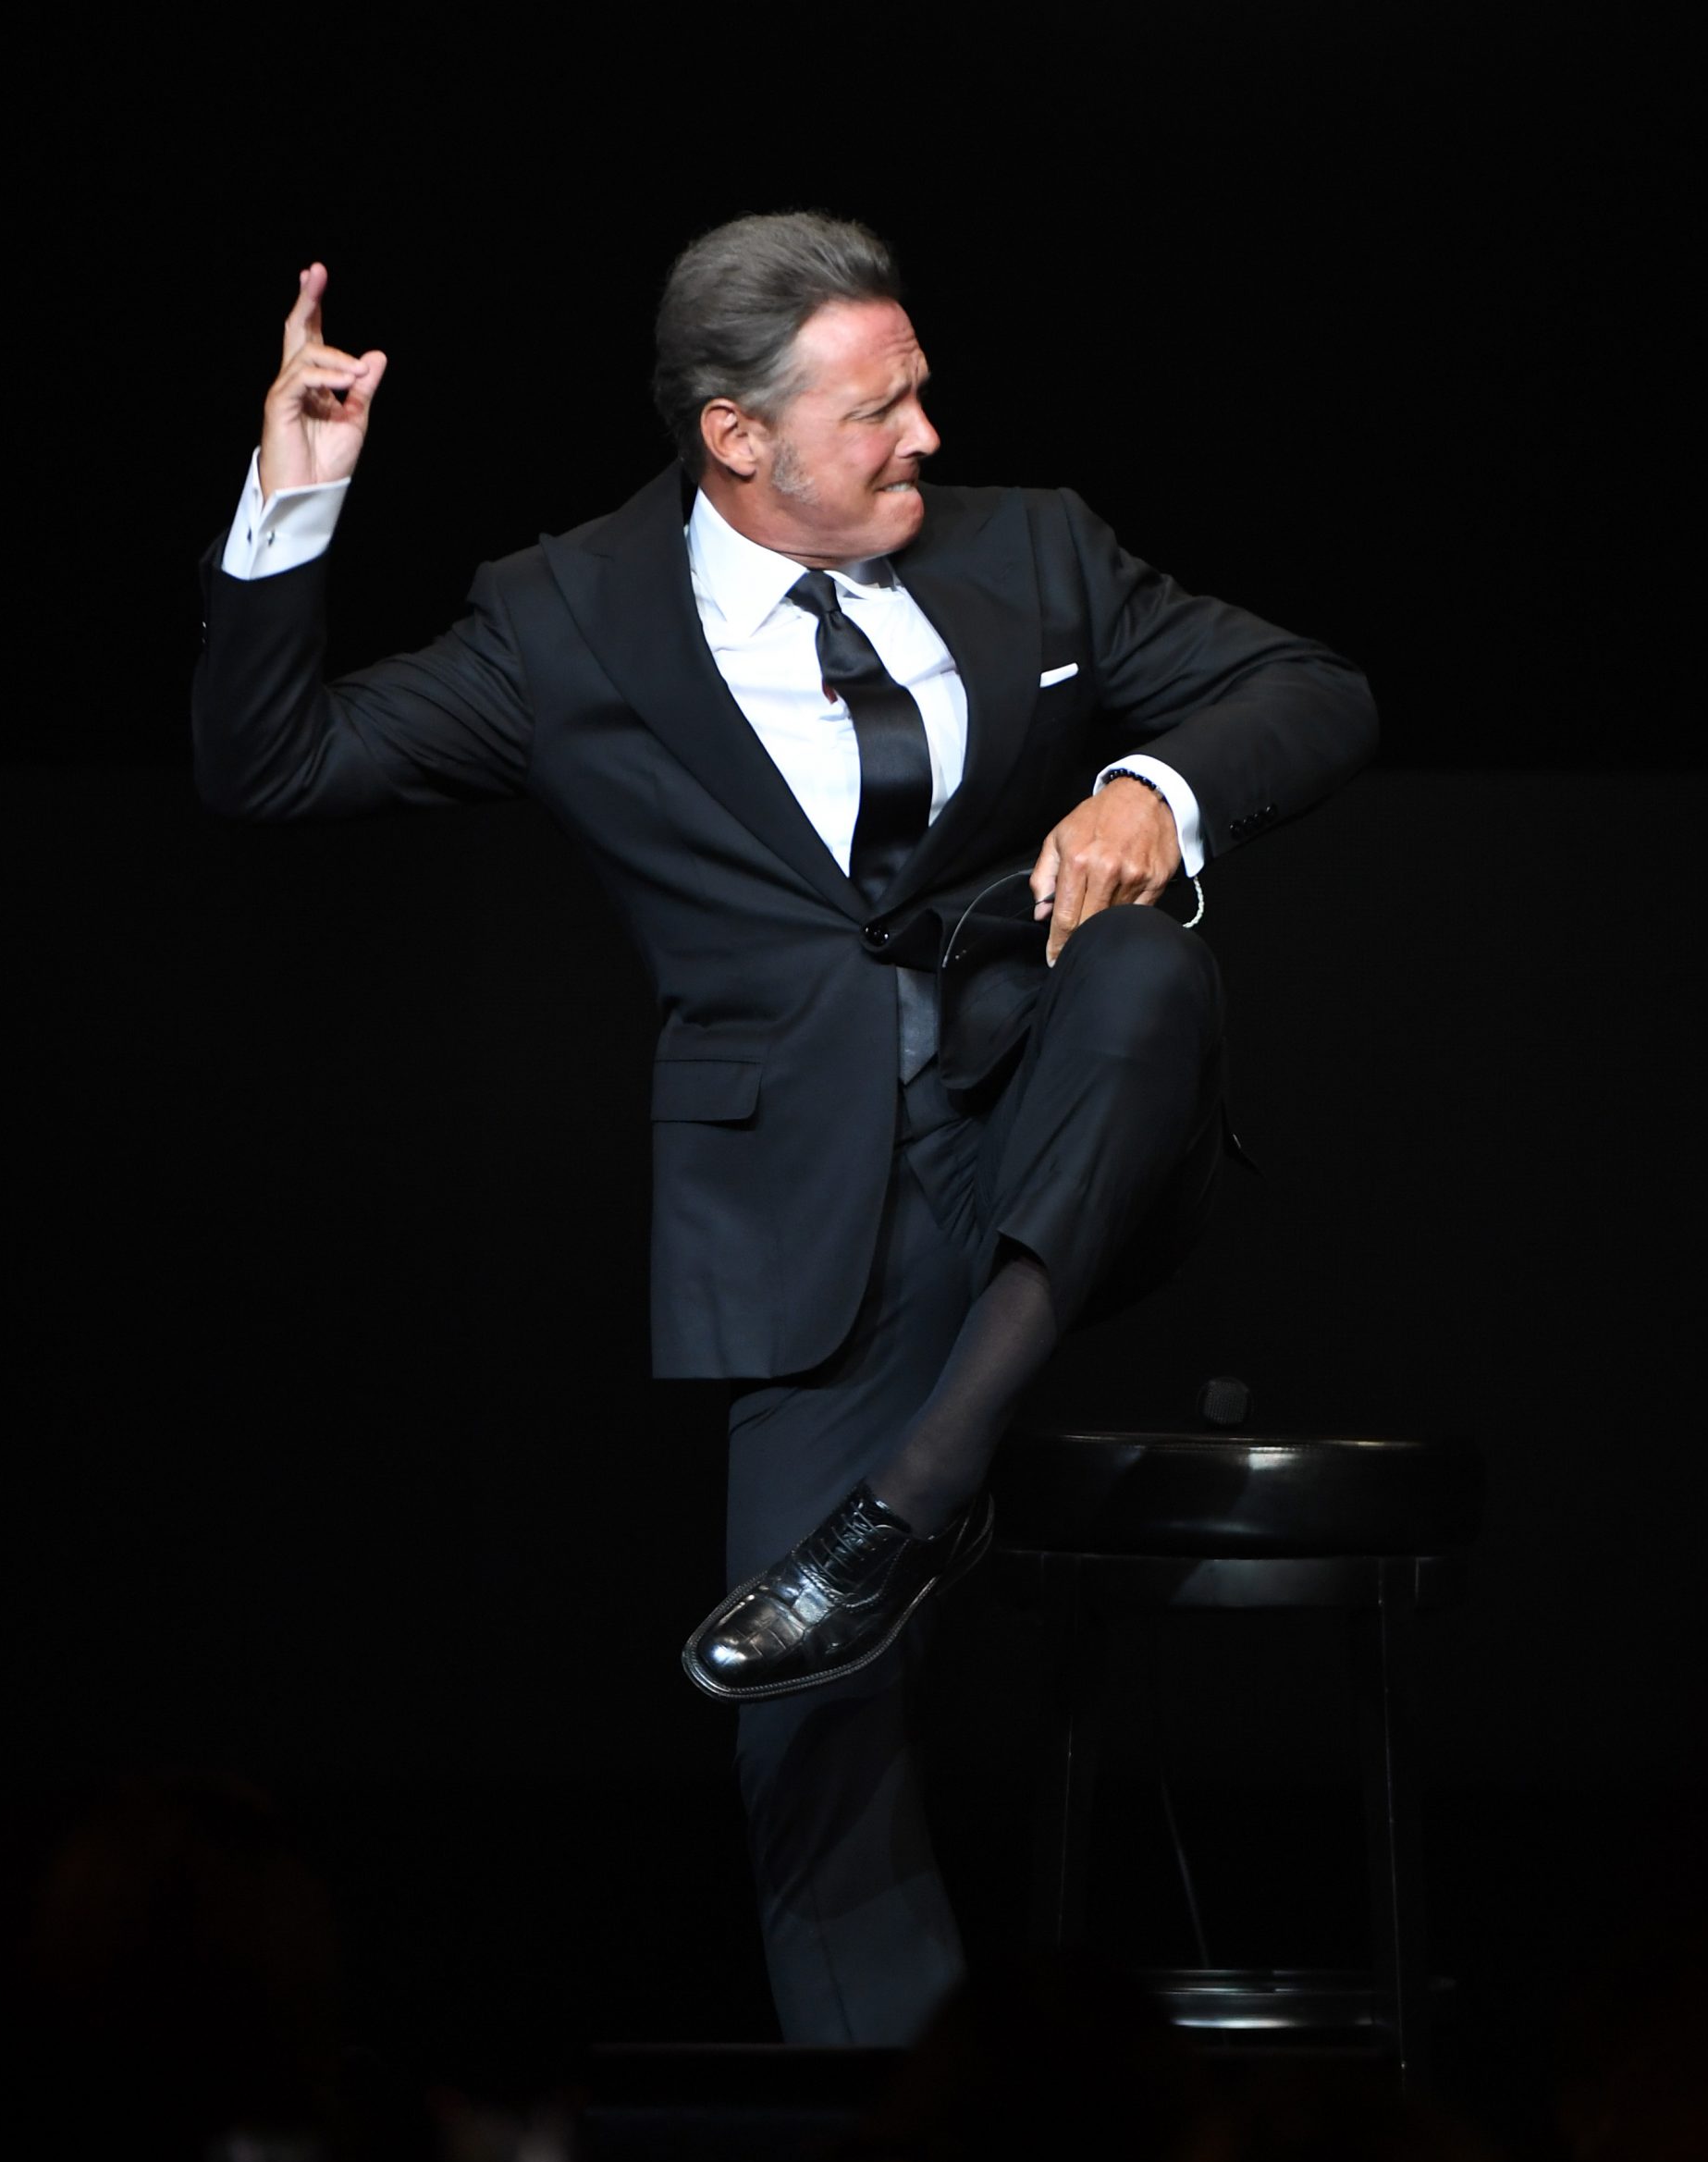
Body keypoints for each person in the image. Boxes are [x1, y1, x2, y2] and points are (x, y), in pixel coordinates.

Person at [194, 212, 1377, 2045]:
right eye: (875, 412)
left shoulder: (1034, 545)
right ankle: (904, 2137)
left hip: (1063, 1119)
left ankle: (911, 1501)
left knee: (1145, 966)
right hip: (815, 1198)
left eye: (921, 395)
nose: (923, 437)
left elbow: (1316, 688)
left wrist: (1154, 786)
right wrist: (297, 494)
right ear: (735, 436)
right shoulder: (566, 619)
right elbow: (270, 766)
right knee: (806, 1739)